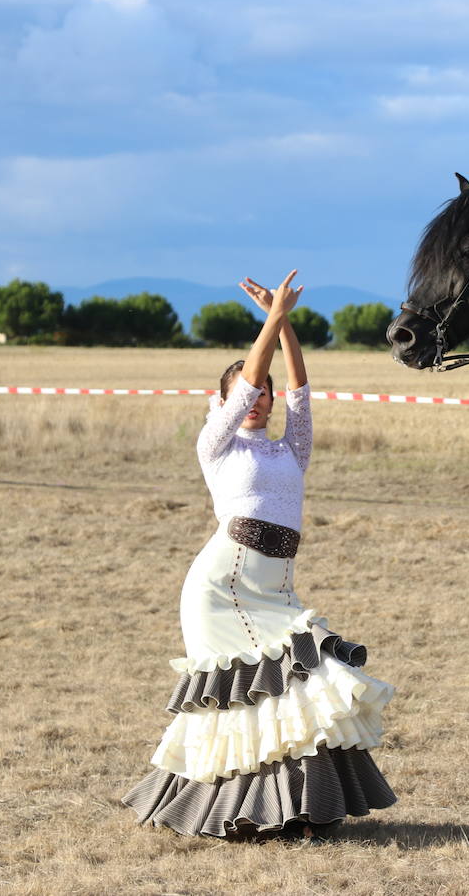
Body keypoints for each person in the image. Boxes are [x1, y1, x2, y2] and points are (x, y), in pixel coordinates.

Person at [122, 271, 396, 840]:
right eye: (248, 392)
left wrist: (286, 322)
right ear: (223, 402)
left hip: (274, 589)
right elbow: (249, 380)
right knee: (247, 700)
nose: (259, 397)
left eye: (264, 393)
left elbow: (300, 387)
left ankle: (289, 808)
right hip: (222, 588)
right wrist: (269, 320)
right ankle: (230, 810)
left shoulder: (290, 448)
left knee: (302, 688)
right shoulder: (216, 444)